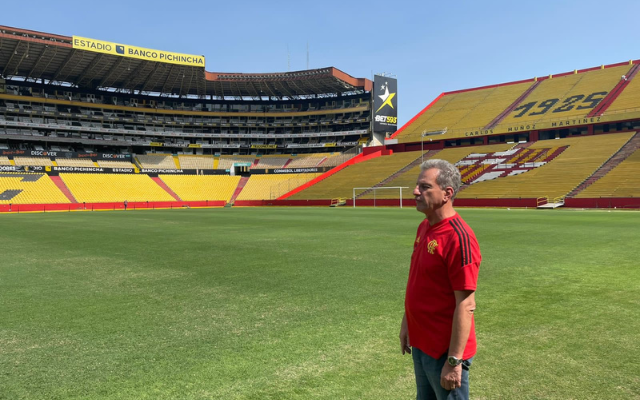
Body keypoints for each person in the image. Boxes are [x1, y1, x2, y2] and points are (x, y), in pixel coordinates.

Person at [400, 159, 482, 400]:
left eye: (424, 187)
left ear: (447, 193)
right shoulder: (424, 227)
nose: (416, 191)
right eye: (417, 186)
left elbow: (466, 305)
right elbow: (420, 283)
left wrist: (454, 361)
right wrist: (407, 323)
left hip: (444, 353)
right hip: (422, 343)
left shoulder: (459, 238)